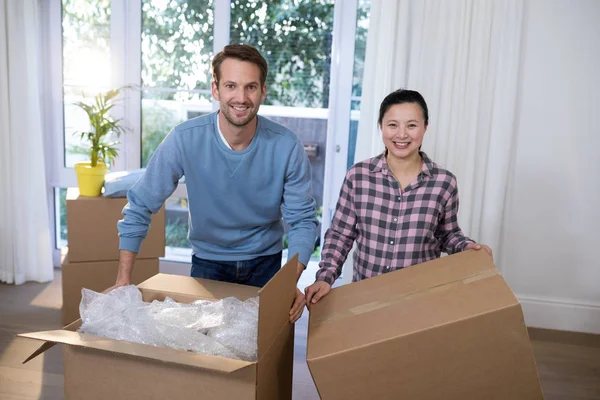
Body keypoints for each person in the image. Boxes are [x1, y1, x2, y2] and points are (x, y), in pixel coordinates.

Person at [107, 44, 318, 323]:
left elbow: (303, 220)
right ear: (216, 90)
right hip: (208, 264)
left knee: (264, 353)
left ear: (263, 91)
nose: (241, 97)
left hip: (267, 264)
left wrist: (290, 280)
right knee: (208, 353)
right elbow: (141, 205)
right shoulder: (185, 139)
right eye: (231, 85)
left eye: (251, 87)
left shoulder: (286, 146)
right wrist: (123, 279)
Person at [305, 89, 492, 305]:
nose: (401, 134)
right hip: (365, 296)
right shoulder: (359, 176)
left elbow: (447, 234)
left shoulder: (444, 182)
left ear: (425, 127)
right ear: (381, 126)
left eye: (411, 125)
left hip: (419, 299)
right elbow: (341, 234)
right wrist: (326, 277)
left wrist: (466, 247)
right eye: (393, 125)